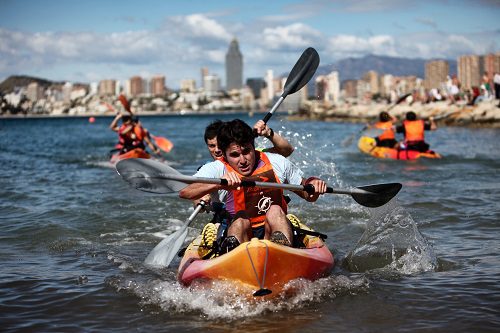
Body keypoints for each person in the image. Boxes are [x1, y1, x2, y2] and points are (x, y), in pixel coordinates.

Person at [179, 119, 327, 252]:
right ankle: (232, 252)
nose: (243, 160)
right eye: (235, 155)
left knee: (275, 209)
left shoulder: (277, 162)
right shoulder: (216, 168)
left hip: (272, 228)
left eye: (246, 151)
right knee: (241, 218)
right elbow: (185, 193)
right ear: (224, 154)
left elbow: (309, 196)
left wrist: (313, 183)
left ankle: (281, 250)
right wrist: (217, 185)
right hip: (239, 231)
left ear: (253, 146)